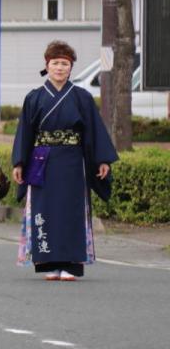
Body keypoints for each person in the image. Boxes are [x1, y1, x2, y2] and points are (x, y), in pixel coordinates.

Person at [11, 41, 117, 281]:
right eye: (55, 63)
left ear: (71, 68)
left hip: (72, 162)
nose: (60, 68)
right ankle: (50, 263)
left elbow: (94, 131)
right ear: (47, 66)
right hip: (42, 162)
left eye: (65, 64)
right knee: (45, 210)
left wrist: (102, 160)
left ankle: (71, 264)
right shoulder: (34, 97)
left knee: (71, 210)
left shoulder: (81, 97)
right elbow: (25, 133)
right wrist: (19, 163)